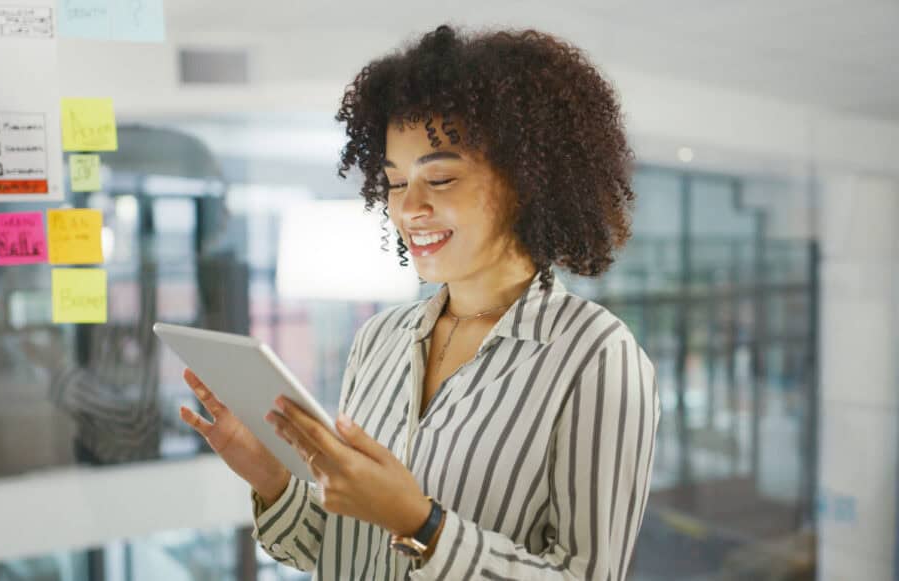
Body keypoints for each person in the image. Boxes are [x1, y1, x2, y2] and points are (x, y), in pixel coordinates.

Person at [179, 24, 660, 580]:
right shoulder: (380, 340)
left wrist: (420, 524)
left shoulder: (596, 357)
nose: (409, 208)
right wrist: (270, 477)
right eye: (394, 183)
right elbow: (343, 553)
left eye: (442, 177)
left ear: (527, 180)